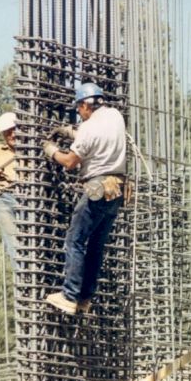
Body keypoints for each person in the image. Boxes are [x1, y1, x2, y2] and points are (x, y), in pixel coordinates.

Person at [42, 82, 126, 315]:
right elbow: (98, 136)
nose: (79, 113)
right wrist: (72, 132)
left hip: (98, 187)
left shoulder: (88, 128)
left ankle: (69, 295)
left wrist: (51, 150)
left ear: (85, 104)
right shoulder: (115, 115)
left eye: (79, 109)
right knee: (96, 246)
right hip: (116, 189)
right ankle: (85, 297)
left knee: (74, 240)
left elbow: (70, 162)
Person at [0, 112, 18, 269]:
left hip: (28, 196)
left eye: (14, 129)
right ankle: (25, 283)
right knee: (15, 245)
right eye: (8, 132)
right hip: (4, 197)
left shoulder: (34, 150)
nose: (12, 134)